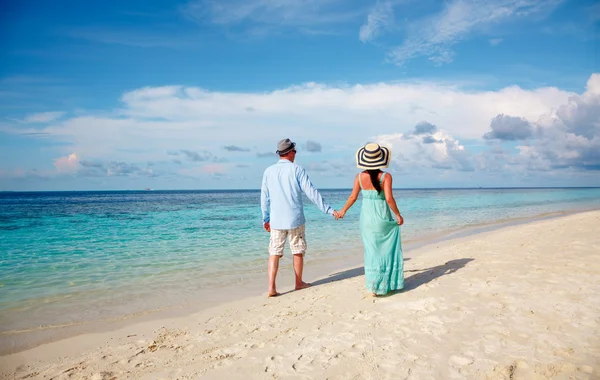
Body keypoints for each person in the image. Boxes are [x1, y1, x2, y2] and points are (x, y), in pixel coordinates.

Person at [261, 138, 340, 297]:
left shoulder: (268, 171)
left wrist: (266, 218)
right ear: (290, 153)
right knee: (297, 250)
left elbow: (264, 197)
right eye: (294, 151)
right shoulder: (297, 169)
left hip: (276, 220)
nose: (295, 154)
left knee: (274, 252)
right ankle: (298, 283)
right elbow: (312, 193)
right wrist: (329, 210)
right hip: (295, 218)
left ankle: (271, 288)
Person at [337, 142, 404, 297]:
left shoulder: (359, 177)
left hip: (366, 219)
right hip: (382, 218)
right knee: (385, 251)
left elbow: (353, 197)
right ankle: (386, 284)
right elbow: (389, 199)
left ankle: (374, 287)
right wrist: (398, 215)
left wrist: (343, 211)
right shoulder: (386, 177)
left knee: (371, 252)